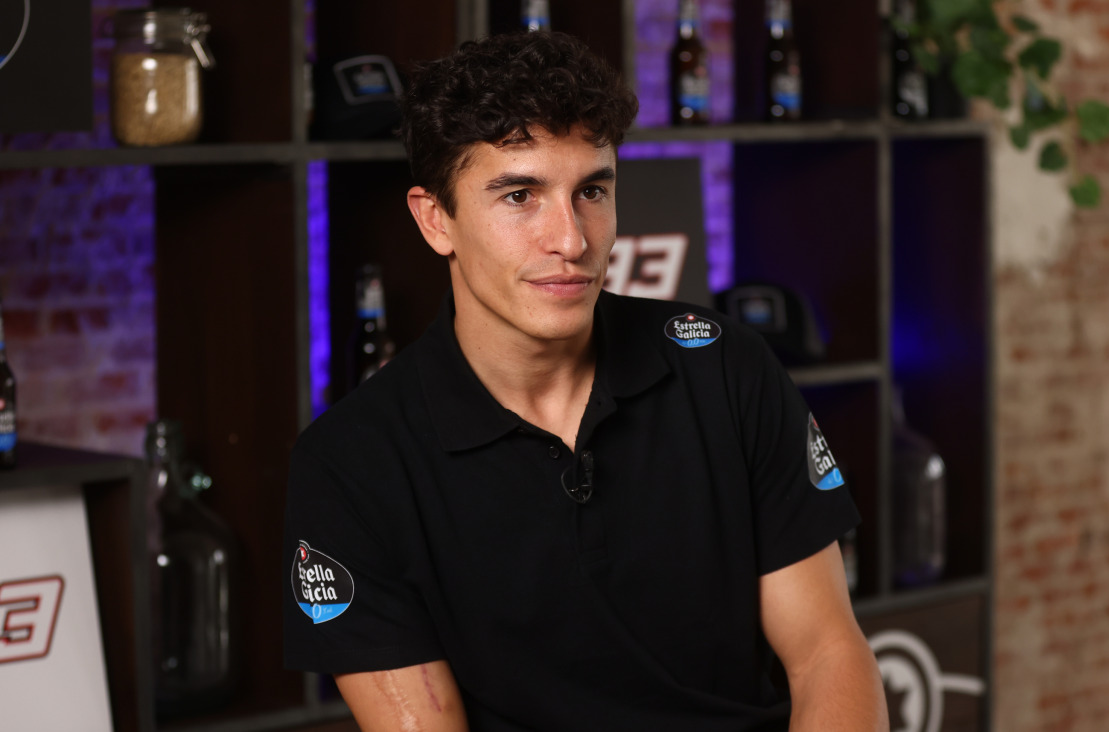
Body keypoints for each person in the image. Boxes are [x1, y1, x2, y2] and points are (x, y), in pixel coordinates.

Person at [283, 30, 889, 732]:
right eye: (520, 196)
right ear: (435, 219)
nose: (571, 240)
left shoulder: (726, 367)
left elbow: (827, 653)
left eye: (592, 191)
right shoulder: (352, 465)